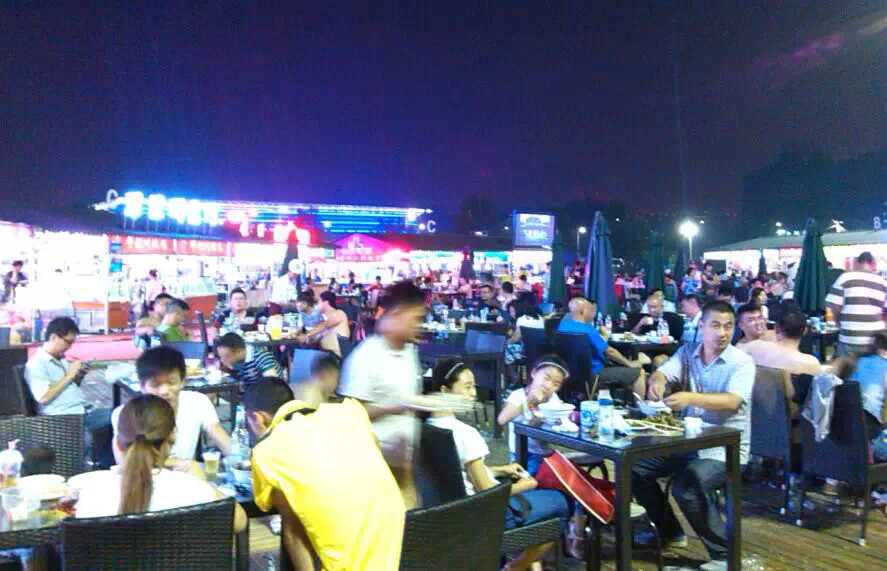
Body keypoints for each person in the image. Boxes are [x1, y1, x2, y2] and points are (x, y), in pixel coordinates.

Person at [637, 300, 755, 569]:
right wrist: (657, 382)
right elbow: (663, 372)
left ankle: (724, 555)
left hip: (726, 450)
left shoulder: (742, 362)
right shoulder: (688, 351)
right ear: (701, 327)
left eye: (728, 326)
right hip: (688, 442)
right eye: (715, 325)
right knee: (635, 469)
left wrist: (690, 397)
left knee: (687, 485)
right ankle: (670, 531)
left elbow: (732, 401)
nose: (722, 333)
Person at [247, 378, 405, 569]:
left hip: (352, 565)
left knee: (291, 520)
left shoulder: (267, 450)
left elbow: (290, 527)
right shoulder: (348, 411)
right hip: (401, 549)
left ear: (258, 418)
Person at [429, 359, 569, 571]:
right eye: (467, 387)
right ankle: (516, 566)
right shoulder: (465, 433)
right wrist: (526, 485)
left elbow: (456, 471)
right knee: (561, 502)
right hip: (484, 516)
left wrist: (499, 469)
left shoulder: (429, 426)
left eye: (474, 387)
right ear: (444, 390)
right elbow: (487, 492)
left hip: (450, 514)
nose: (474, 394)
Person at [77, 394, 247, 532]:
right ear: (171, 438)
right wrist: (202, 482)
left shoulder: (86, 491)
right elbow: (240, 521)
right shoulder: (192, 489)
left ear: (117, 443)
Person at [339, 281, 425, 508]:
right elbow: (350, 415)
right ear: (397, 314)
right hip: (372, 469)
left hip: (404, 465)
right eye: (416, 319)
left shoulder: (409, 351)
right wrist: (397, 406)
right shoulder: (367, 356)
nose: (419, 326)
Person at [111, 347, 231, 465]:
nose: (164, 391)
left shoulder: (197, 402)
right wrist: (178, 464)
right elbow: (125, 465)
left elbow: (222, 439)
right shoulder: (126, 414)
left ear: (182, 381)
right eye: (155, 385)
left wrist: (238, 457)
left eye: (172, 382)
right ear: (142, 386)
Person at [559, 297, 649, 396]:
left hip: (571, 374)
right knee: (639, 373)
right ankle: (639, 405)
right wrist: (629, 363)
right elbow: (610, 352)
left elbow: (595, 345)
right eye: (590, 309)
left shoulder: (562, 326)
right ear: (583, 311)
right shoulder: (588, 330)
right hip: (594, 374)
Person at [497, 355, 571, 476]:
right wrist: (528, 401)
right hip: (522, 453)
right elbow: (502, 419)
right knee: (532, 480)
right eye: (546, 378)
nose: (548, 386)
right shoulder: (518, 395)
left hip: (545, 453)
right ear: (534, 373)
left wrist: (560, 420)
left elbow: (556, 424)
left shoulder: (553, 399)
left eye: (556, 384)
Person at [825, 251, 887, 356]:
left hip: (849, 336)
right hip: (875, 339)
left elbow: (832, 306)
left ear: (857, 263)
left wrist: (838, 323)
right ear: (873, 263)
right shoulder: (883, 283)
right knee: (870, 366)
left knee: (846, 366)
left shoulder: (845, 278)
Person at [739, 306, 821, 378]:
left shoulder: (753, 347)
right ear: (805, 331)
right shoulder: (812, 363)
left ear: (776, 328)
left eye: (760, 318)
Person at [845, 332, 887, 462]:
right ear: (883, 352)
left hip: (845, 438)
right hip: (870, 442)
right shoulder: (884, 367)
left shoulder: (859, 362)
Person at [215, 332, 284, 385]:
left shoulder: (260, 356)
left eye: (226, 357)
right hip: (251, 392)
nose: (222, 360)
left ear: (238, 352)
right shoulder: (235, 363)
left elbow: (273, 384)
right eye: (221, 357)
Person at [299, 290, 350, 356]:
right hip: (324, 354)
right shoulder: (326, 319)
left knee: (302, 356)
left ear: (326, 302)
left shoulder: (339, 313)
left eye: (318, 302)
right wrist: (309, 339)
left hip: (334, 356)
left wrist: (307, 334)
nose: (317, 305)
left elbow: (324, 325)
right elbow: (318, 337)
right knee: (299, 351)